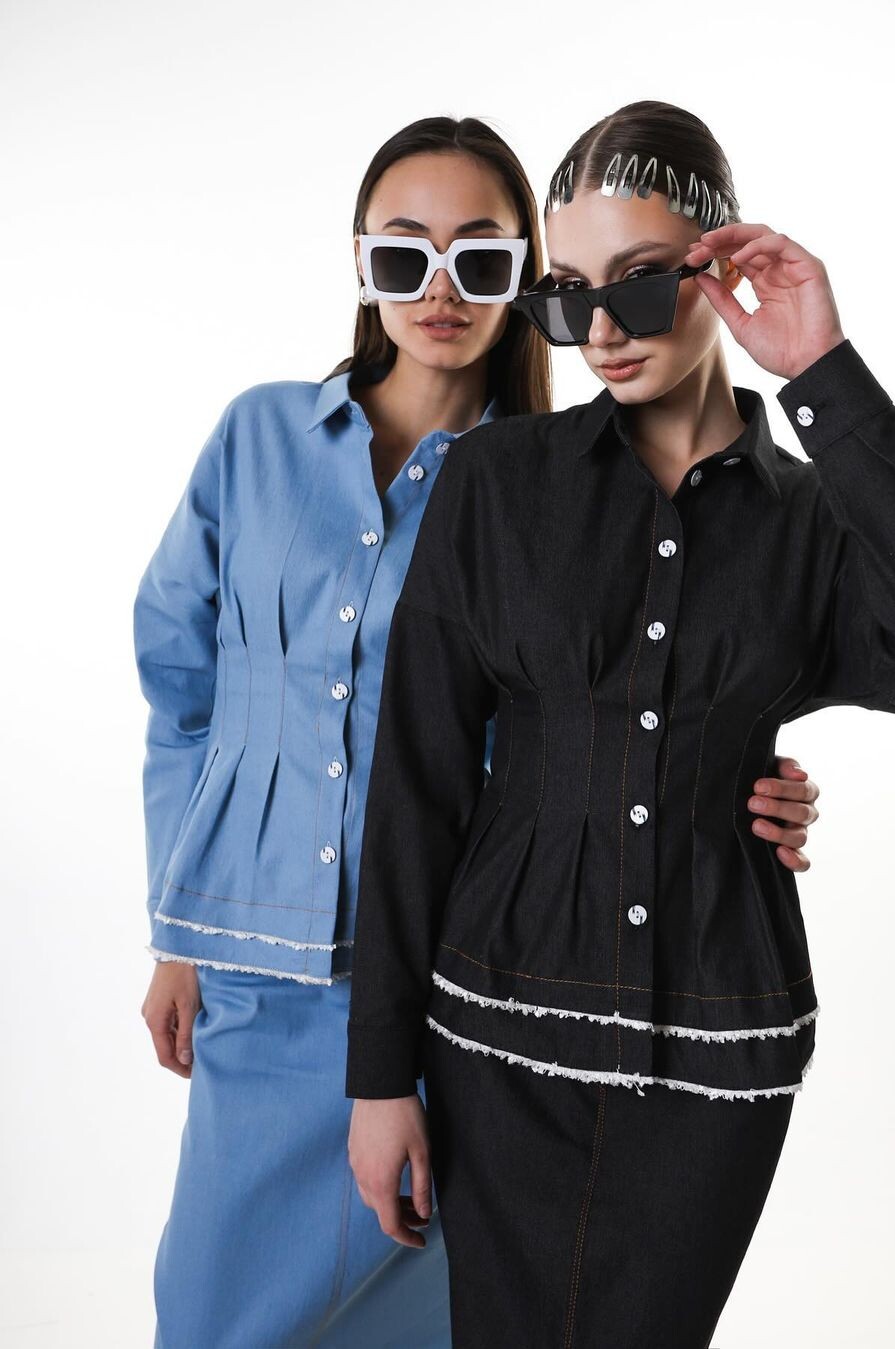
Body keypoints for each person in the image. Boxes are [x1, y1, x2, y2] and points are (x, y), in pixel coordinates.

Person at [134, 113, 823, 1348]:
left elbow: (640, 691)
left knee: (431, 1314)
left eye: (483, 259)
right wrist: (178, 928)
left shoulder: (547, 488)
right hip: (256, 969)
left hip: (460, 980)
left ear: (527, 280)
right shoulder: (258, 438)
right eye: (404, 256)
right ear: (362, 267)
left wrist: (734, 774)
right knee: (211, 1314)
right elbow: (180, 681)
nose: (440, 290)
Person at [343, 100, 895, 1349]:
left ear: (720, 263)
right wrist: (379, 1076)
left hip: (720, 1042)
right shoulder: (494, 485)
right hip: (499, 1033)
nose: (602, 329)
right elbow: (417, 785)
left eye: (643, 284)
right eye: (568, 296)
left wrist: (819, 369)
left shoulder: (815, 520)